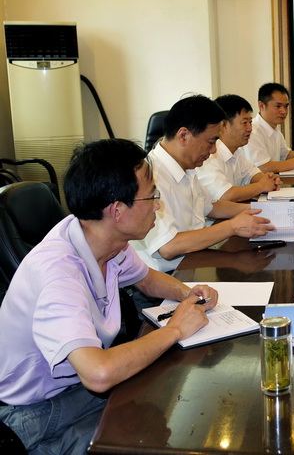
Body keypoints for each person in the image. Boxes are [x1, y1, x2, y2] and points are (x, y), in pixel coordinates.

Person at [0, 139, 218, 455]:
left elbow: (146, 278)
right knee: (153, 432)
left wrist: (189, 294)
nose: (157, 205)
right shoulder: (58, 274)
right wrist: (175, 329)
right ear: (117, 210)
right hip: (35, 414)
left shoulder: (103, 239)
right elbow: (99, 375)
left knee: (166, 399)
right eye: (152, 196)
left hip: (73, 387)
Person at [133, 94, 274, 272]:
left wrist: (257, 210)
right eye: (211, 142)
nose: (214, 150)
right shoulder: (150, 177)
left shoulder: (186, 167)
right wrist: (232, 226)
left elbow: (211, 206)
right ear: (183, 135)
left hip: (192, 261)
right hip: (164, 276)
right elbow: (169, 247)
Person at [196, 94, 281, 202]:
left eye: (250, 122)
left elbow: (252, 174)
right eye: (244, 123)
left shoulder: (236, 152)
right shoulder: (210, 156)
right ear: (224, 125)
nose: (250, 128)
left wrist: (270, 179)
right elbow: (225, 195)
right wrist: (262, 186)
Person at [241, 82, 294, 173]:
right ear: (261, 105)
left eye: (286, 106)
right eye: (278, 106)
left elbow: (286, 155)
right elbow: (262, 167)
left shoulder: (274, 129)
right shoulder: (252, 132)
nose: (284, 111)